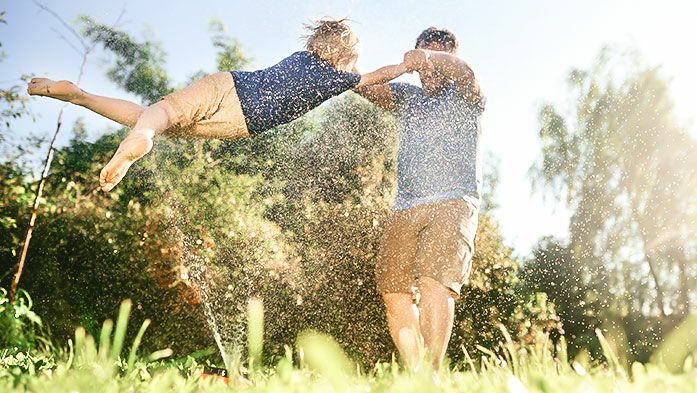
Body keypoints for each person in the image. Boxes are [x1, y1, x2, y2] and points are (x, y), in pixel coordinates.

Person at [28, 18, 408, 192]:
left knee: (164, 111)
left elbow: (332, 50)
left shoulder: (301, 56)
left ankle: (89, 101)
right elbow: (378, 74)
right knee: (163, 124)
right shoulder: (338, 79)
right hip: (243, 125)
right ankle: (122, 122)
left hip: (232, 86)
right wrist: (408, 64)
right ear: (346, 57)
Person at [354, 27, 485, 371]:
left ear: (450, 58)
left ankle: (434, 374)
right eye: (423, 58)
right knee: (393, 293)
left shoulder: (466, 94)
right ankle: (416, 375)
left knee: (433, 282)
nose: (430, 68)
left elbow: (466, 71)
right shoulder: (409, 99)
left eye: (439, 58)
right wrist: (343, 68)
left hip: (454, 200)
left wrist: (429, 57)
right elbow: (366, 87)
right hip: (406, 205)